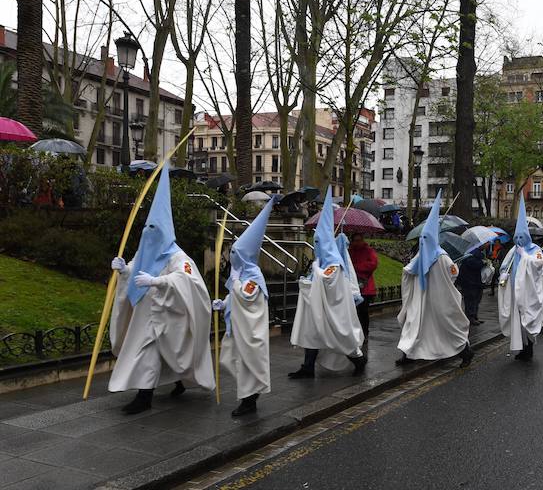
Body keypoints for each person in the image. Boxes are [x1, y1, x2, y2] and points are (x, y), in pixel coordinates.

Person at [108, 164, 214, 414]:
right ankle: (175, 382)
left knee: (153, 353)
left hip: (166, 314)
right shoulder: (146, 250)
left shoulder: (178, 256)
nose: (148, 234)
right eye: (147, 230)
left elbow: (189, 281)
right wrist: (123, 269)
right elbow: (136, 269)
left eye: (154, 230)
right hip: (144, 315)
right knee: (153, 353)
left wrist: (158, 282)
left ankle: (145, 398)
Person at [289, 187, 367, 378]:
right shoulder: (324, 261)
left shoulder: (333, 262)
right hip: (320, 307)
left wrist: (316, 270)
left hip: (334, 311)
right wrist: (307, 280)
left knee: (340, 337)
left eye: (318, 243)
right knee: (312, 333)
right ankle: (308, 367)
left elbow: (328, 279)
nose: (316, 246)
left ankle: (358, 360)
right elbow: (318, 279)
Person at [213, 196, 276, 416]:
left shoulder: (252, 276)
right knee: (227, 360)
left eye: (235, 254)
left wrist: (236, 283)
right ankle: (250, 393)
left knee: (243, 363)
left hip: (249, 332)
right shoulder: (241, 274)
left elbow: (248, 297)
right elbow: (237, 297)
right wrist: (224, 303)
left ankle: (249, 399)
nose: (232, 258)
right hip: (237, 328)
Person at [395, 190, 473, 367]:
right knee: (412, 324)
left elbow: (454, 273)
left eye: (425, 238)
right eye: (421, 238)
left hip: (438, 301)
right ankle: (407, 354)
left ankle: (465, 352)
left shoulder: (442, 256)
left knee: (446, 327)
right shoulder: (420, 255)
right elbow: (409, 270)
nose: (422, 241)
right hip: (421, 300)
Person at [498, 194, 543, 360]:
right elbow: (505, 265)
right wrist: (504, 272)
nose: (519, 240)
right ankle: (521, 348)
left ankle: (530, 348)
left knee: (527, 319)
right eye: (516, 237)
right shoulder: (513, 251)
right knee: (517, 322)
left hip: (528, 293)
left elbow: (540, 264)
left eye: (521, 237)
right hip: (514, 291)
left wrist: (525, 256)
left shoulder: (535, 249)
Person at [348, 233, 378, 338]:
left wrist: (356, 267)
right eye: (355, 240)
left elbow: (373, 264)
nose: (357, 242)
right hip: (353, 283)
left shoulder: (369, 251)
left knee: (363, 311)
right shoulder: (350, 251)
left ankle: (364, 332)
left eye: (359, 240)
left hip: (365, 285)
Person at [457, 245, 486, 326]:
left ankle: (474, 316)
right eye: (486, 243)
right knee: (471, 300)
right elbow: (473, 264)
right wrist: (482, 262)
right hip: (469, 282)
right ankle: (470, 317)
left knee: (476, 299)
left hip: (475, 282)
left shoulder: (477, 254)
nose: (487, 244)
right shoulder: (471, 254)